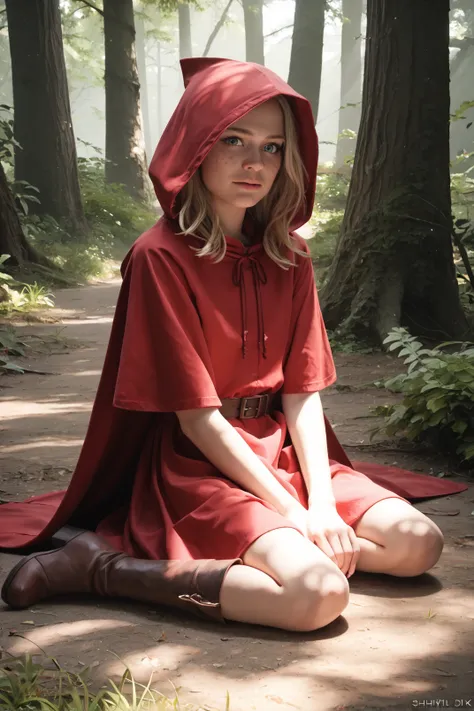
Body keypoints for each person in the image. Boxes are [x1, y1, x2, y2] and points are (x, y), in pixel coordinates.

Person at [0, 58, 464, 633]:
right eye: (233, 140)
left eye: (272, 148)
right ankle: (103, 568)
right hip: (199, 467)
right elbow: (197, 421)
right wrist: (292, 516)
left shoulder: (289, 254)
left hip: (284, 452)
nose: (254, 163)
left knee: (418, 544)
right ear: (196, 147)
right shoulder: (159, 257)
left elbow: (302, 395)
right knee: (314, 598)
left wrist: (319, 505)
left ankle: (285, 552)